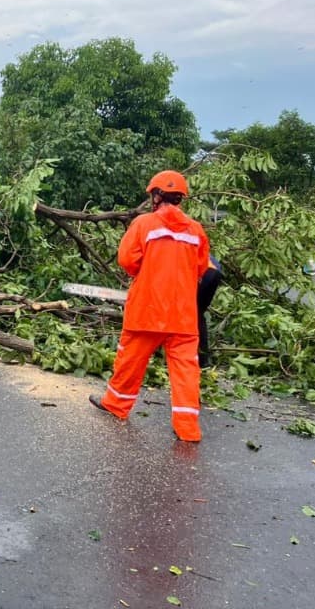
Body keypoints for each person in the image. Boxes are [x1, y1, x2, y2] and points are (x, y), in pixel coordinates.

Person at [90, 170, 210, 442]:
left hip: (147, 310)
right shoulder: (196, 230)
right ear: (180, 198)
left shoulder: (144, 224)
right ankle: (188, 429)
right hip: (183, 315)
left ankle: (116, 405)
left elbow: (127, 260)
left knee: (130, 360)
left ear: (156, 196)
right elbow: (203, 268)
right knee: (186, 372)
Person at [197, 255, 222, 367]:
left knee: (194, 313)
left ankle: (200, 359)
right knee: (198, 313)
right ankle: (203, 360)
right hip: (214, 269)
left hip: (204, 271)